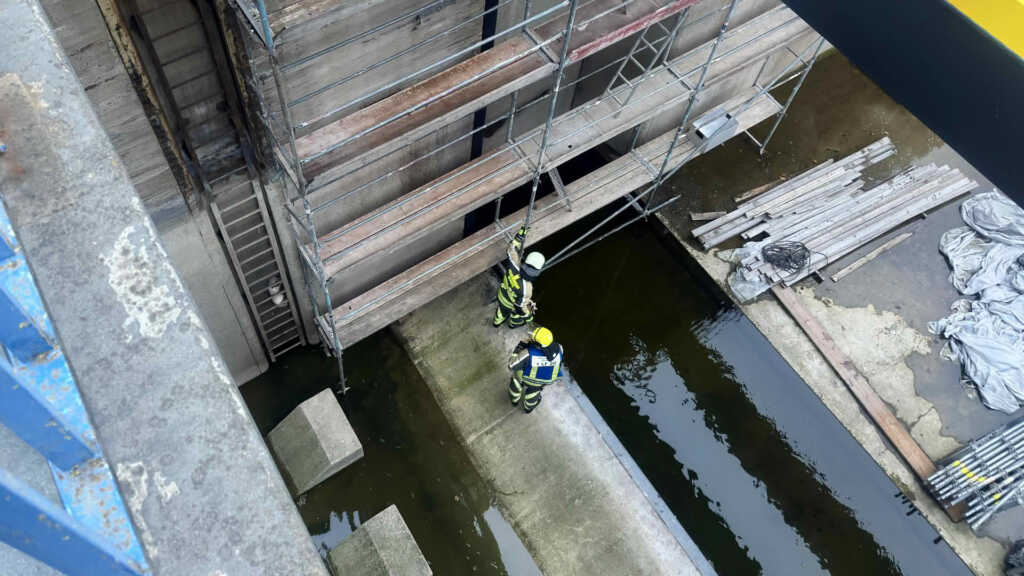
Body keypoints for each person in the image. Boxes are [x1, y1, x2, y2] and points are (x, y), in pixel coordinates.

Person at [493, 226, 544, 328]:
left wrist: (519, 237)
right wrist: (528, 316)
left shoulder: (514, 264)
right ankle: (512, 325)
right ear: (537, 271)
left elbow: (510, 248)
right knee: (516, 314)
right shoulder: (527, 289)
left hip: (502, 294)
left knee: (501, 312)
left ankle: (496, 322)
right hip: (510, 304)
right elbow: (520, 306)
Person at [507, 327, 563, 413]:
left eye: (533, 339)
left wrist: (519, 348)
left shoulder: (528, 354)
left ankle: (514, 400)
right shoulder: (559, 348)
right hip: (547, 380)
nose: (530, 339)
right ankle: (528, 408)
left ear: (537, 345)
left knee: (516, 378)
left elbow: (511, 366)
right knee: (532, 395)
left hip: (528, 379)